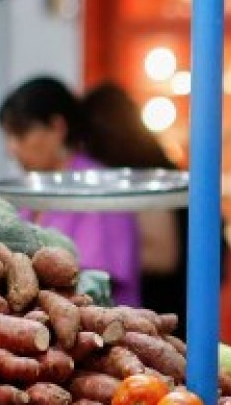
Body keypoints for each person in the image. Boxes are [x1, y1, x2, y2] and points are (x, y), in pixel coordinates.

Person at [0, 76, 142, 306]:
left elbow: (92, 281)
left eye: (20, 134)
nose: (11, 148)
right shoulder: (32, 191)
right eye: (8, 136)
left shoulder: (98, 187)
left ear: (57, 127)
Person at [79, 82, 193, 334]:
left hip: (164, 303)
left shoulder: (143, 171)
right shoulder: (148, 161)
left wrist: (97, 257)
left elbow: (163, 257)